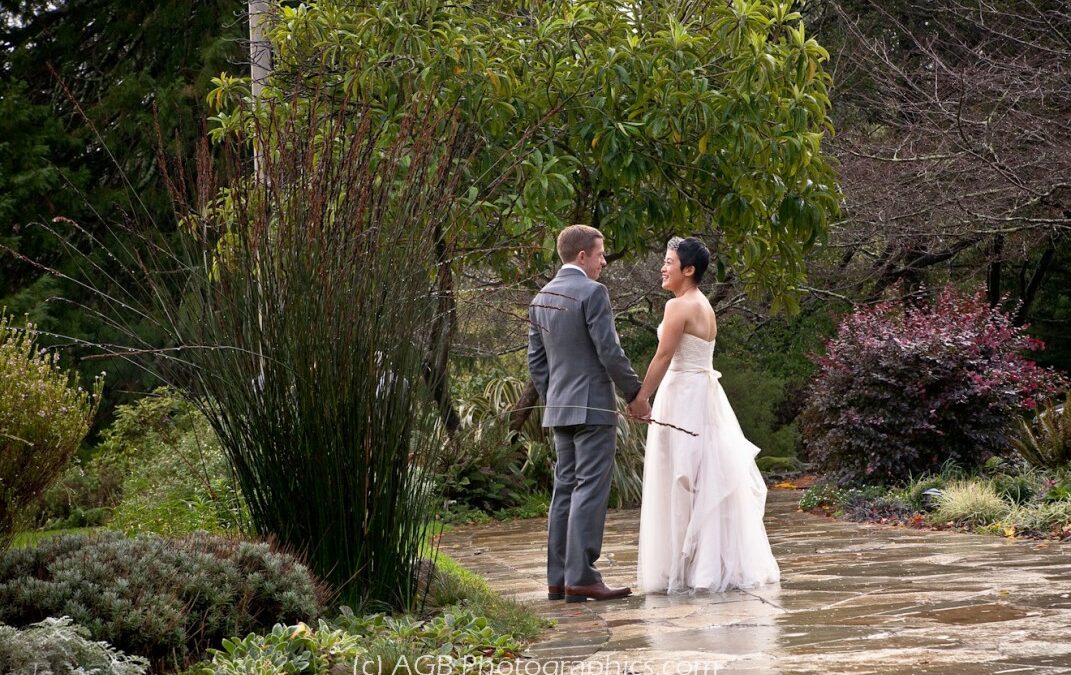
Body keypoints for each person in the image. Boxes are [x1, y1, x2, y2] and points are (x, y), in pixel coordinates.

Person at [635, 237, 780, 593]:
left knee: (684, 475)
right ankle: (705, 563)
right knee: (705, 474)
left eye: (669, 262)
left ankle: (691, 567)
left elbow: (664, 356)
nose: (663, 268)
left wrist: (641, 397)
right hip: (703, 394)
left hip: (684, 394)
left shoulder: (679, 306)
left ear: (689, 270)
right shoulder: (703, 305)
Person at [528, 224, 651, 603]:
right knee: (589, 490)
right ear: (582, 255)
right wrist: (636, 394)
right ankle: (581, 576)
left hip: (560, 408)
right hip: (594, 407)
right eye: (600, 255)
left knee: (565, 489)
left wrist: (555, 399)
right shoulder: (592, 293)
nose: (603, 263)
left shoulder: (540, 299)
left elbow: (537, 362)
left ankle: (559, 578)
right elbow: (609, 352)